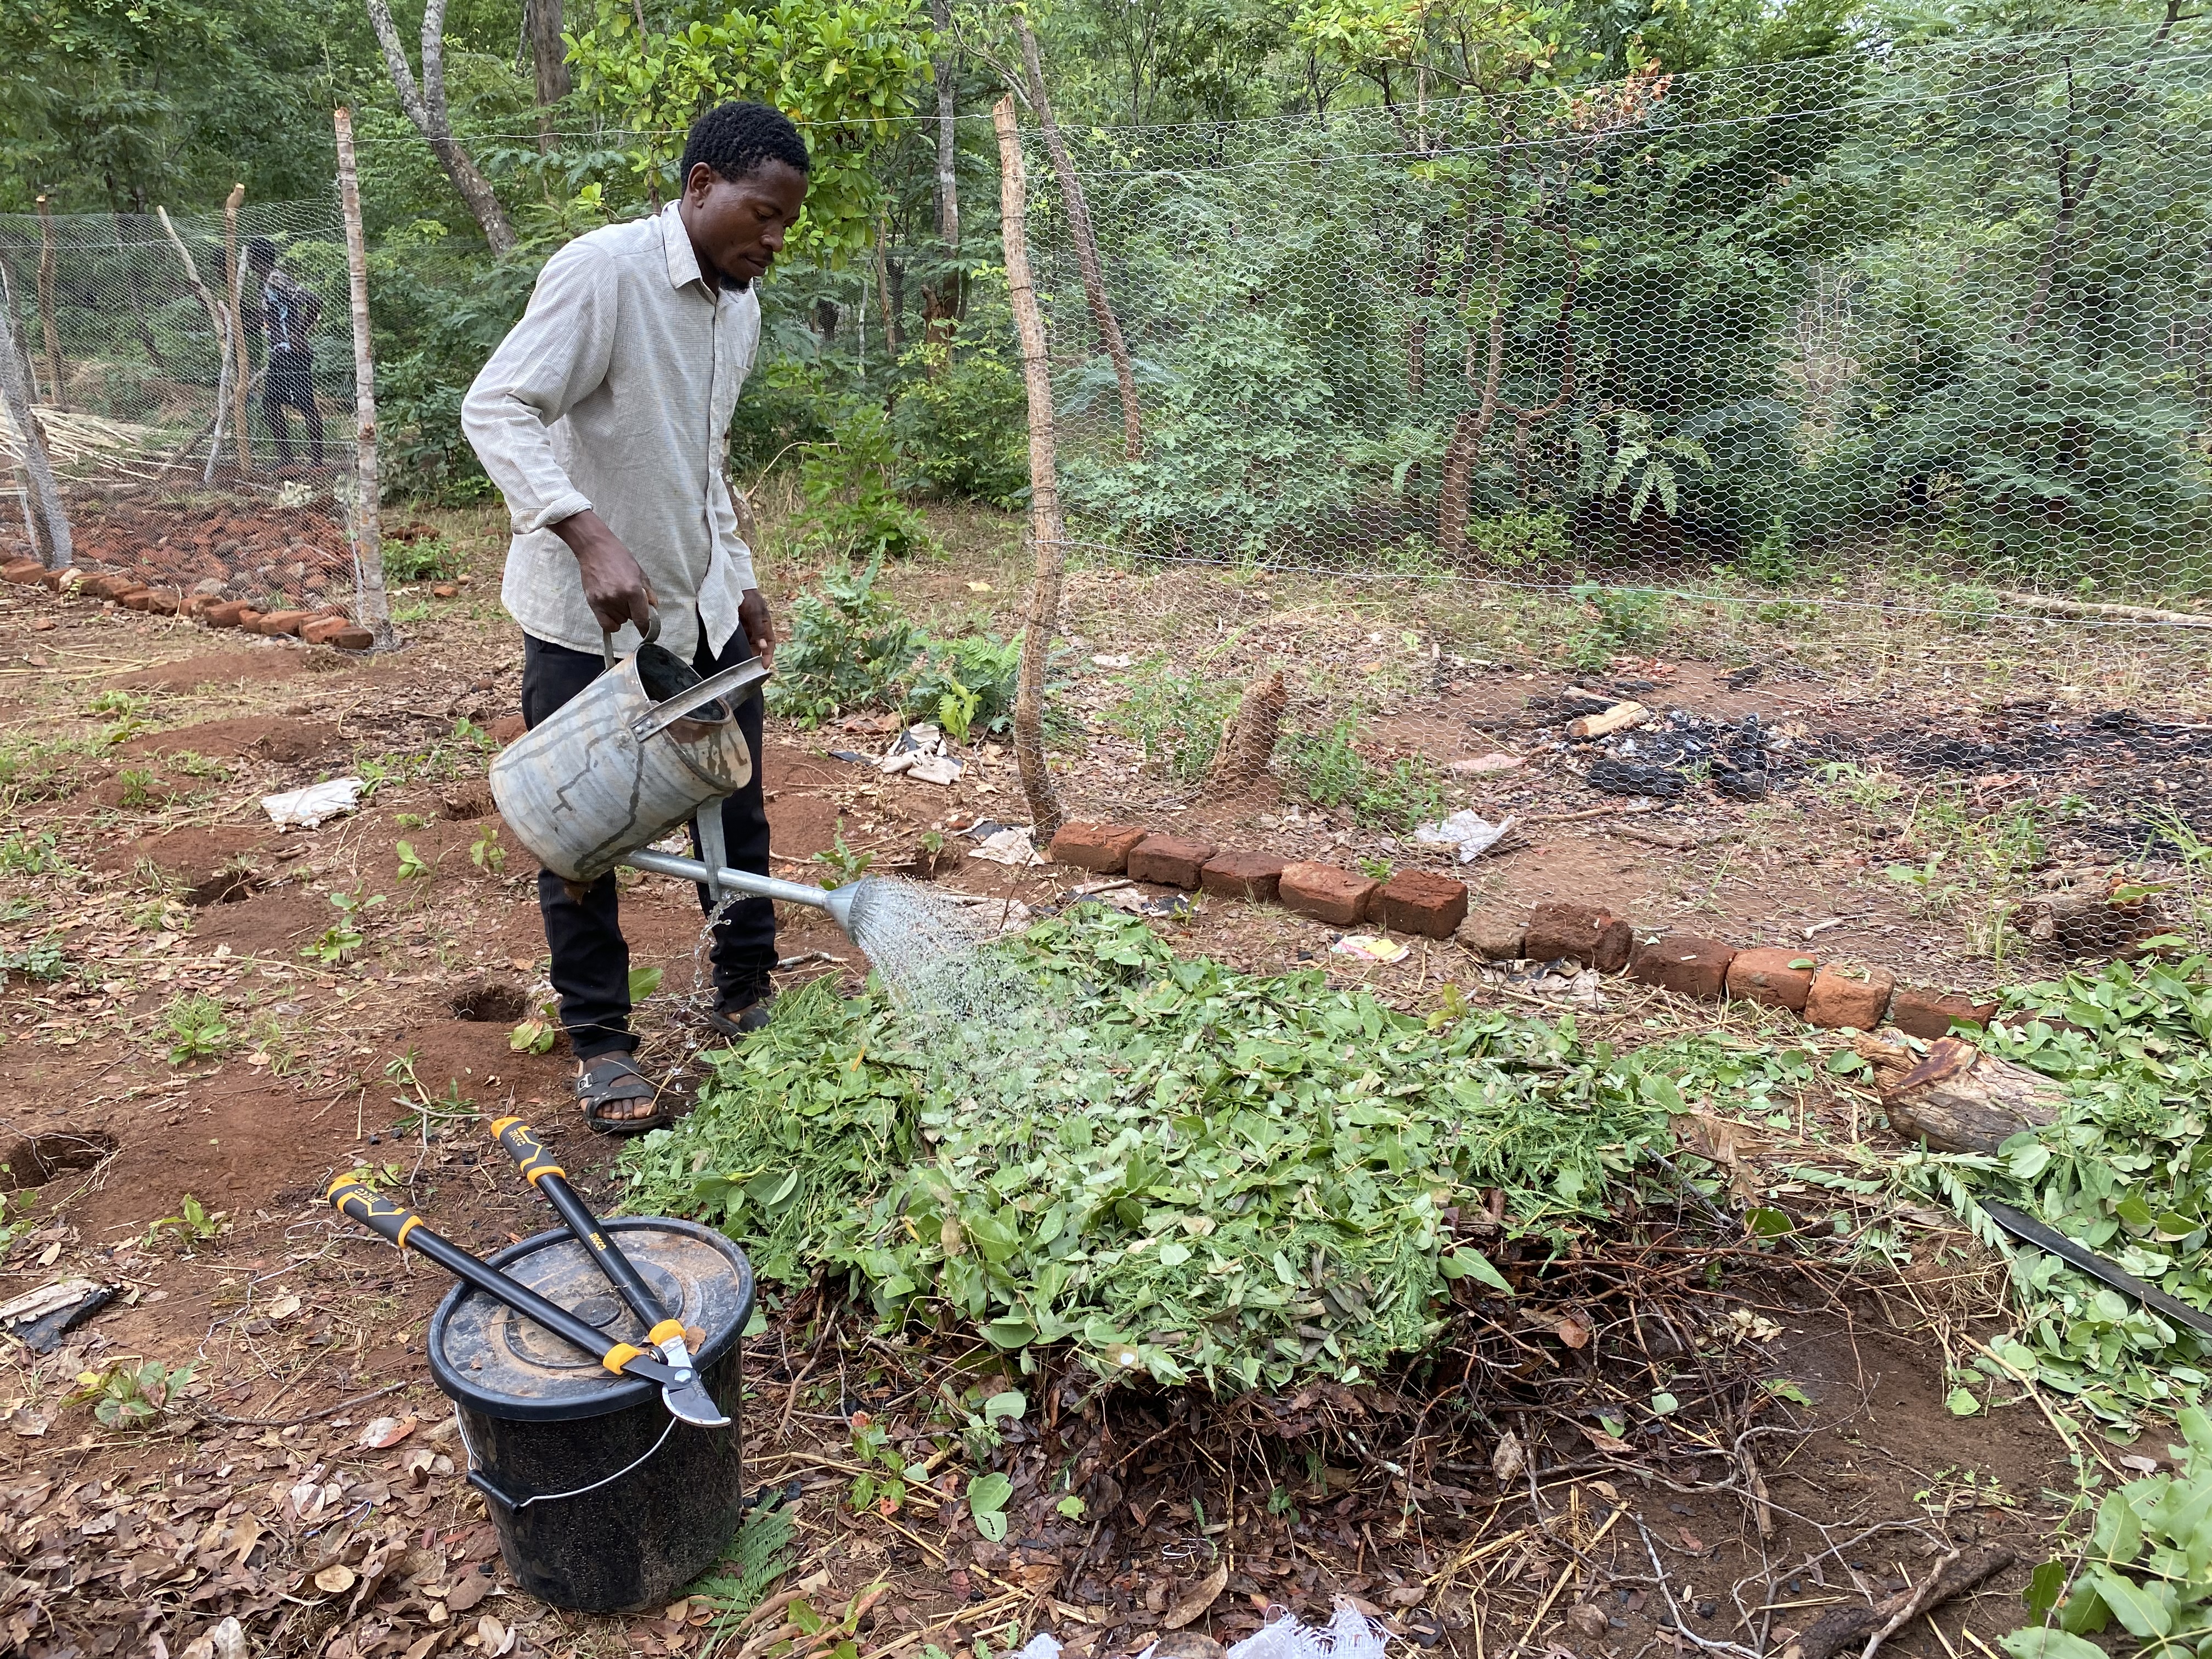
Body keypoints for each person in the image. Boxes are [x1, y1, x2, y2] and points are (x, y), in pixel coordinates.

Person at [462, 101, 808, 1134]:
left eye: (787, 222)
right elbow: (498, 405)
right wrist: (584, 529)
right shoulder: (603, 272)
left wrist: (736, 576)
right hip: (588, 621)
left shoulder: (736, 306)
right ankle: (605, 1043)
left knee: (734, 806)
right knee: (584, 832)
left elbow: (703, 468)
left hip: (694, 609)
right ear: (701, 186)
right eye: (761, 213)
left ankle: (745, 991)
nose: (773, 239)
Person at [246, 236, 325, 469]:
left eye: (251, 258)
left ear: (259, 259)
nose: (248, 263)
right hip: (279, 354)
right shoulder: (264, 284)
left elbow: (313, 301)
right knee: (270, 404)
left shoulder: (276, 278)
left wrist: (299, 332)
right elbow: (269, 318)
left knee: (305, 404)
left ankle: (317, 462)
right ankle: (287, 461)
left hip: (294, 353)